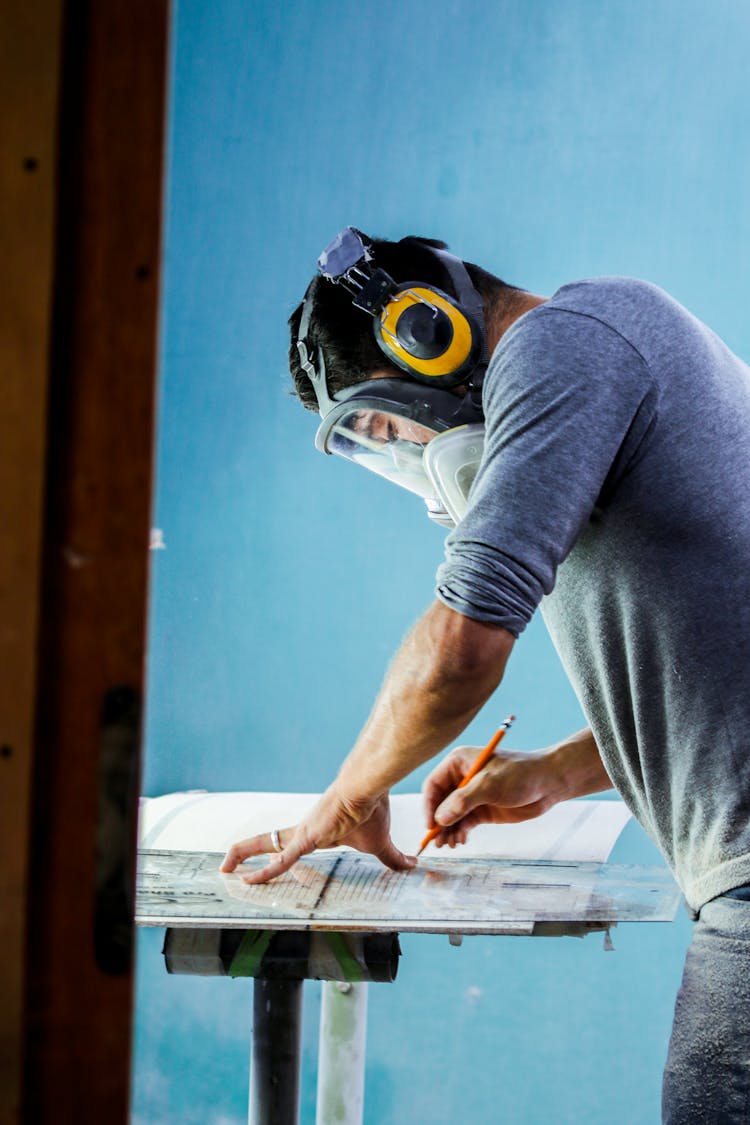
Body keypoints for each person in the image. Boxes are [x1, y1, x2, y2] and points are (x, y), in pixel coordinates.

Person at [221, 228, 750, 1122]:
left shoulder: (565, 344)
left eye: (385, 422)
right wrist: (555, 773)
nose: (398, 450)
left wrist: (348, 796)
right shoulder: (609, 347)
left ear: (427, 331)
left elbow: (462, 648)